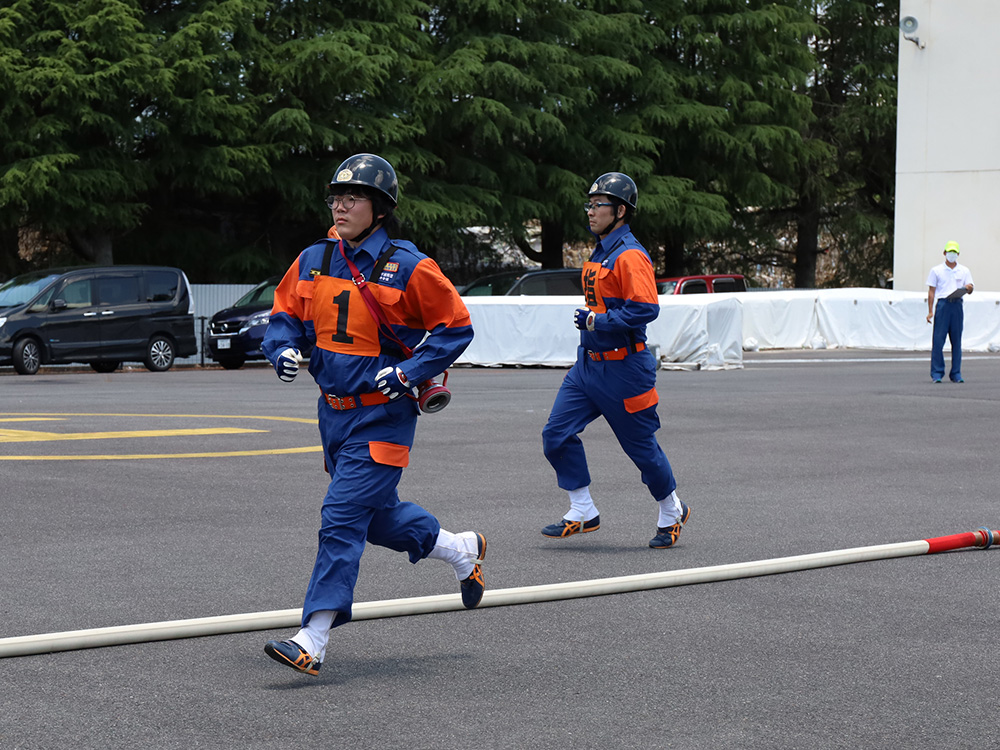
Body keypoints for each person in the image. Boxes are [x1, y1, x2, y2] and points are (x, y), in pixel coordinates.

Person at [261, 153, 484, 676]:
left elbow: (456, 328)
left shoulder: (411, 265)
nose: (339, 205)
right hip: (333, 416)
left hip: (384, 416)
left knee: (340, 516)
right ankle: (461, 549)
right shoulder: (314, 257)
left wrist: (409, 373)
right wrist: (282, 350)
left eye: (352, 197)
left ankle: (313, 638)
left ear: (380, 209)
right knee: (374, 517)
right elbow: (284, 315)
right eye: (335, 197)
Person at [540, 172, 689, 549]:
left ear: (620, 211)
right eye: (589, 204)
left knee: (641, 449)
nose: (590, 211)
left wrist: (596, 321)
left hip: (625, 369)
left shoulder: (630, 254)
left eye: (598, 205)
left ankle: (671, 510)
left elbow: (646, 308)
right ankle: (583, 510)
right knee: (555, 434)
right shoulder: (603, 247)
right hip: (588, 366)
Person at [926, 240, 974, 383]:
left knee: (957, 340)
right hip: (943, 305)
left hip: (957, 304)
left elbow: (970, 287)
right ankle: (937, 373)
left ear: (958, 254)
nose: (951, 255)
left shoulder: (964, 270)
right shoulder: (936, 270)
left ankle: (956, 373)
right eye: (949, 252)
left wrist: (968, 288)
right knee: (938, 340)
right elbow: (931, 291)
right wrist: (930, 311)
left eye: (954, 252)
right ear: (944, 253)